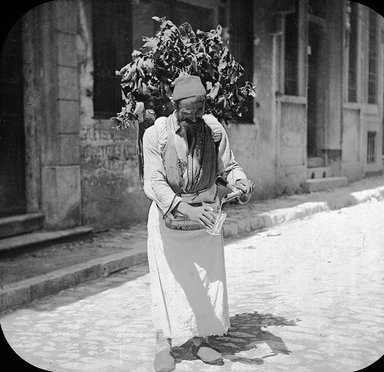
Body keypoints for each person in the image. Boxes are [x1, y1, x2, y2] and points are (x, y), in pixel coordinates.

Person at [142, 75, 254, 372]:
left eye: (198, 112)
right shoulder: (155, 135)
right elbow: (153, 182)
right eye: (187, 113)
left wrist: (240, 182)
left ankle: (201, 339)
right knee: (168, 280)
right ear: (174, 106)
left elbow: (228, 167)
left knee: (207, 279)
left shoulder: (213, 130)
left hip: (205, 217)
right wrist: (184, 209)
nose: (192, 119)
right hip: (169, 219)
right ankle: (162, 344)